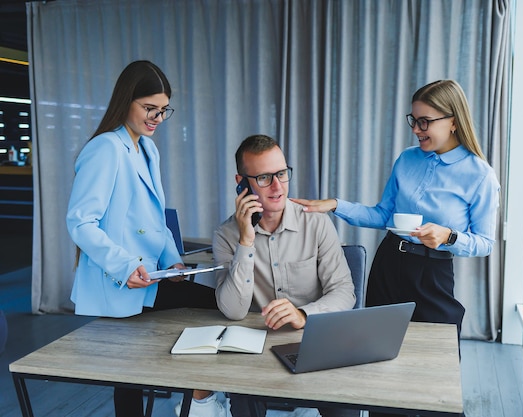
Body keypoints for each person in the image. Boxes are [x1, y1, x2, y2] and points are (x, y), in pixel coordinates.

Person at [66, 60, 227, 417]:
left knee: (221, 306)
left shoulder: (147, 149)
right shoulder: (106, 148)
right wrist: (125, 266)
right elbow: (80, 222)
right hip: (122, 279)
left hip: (151, 275)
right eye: (149, 108)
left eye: (163, 110)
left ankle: (201, 397)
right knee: (129, 379)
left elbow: (157, 218)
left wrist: (174, 260)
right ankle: (203, 401)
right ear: (127, 101)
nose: (157, 117)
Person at [292, 79, 500, 341]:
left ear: (453, 121)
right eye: (413, 120)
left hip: (432, 273)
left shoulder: (480, 176)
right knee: (377, 348)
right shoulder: (406, 159)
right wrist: (335, 205)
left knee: (435, 356)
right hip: (389, 263)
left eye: (425, 121)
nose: (416, 129)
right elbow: (383, 216)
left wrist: (449, 236)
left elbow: (485, 243)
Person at [212, 134, 356, 417]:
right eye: (264, 177)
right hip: (258, 348)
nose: (277, 186)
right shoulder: (226, 235)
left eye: (281, 173)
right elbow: (232, 311)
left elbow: (344, 291)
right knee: (244, 403)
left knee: (343, 403)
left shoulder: (315, 222)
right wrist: (246, 241)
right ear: (242, 182)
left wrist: (303, 314)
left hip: (313, 341)